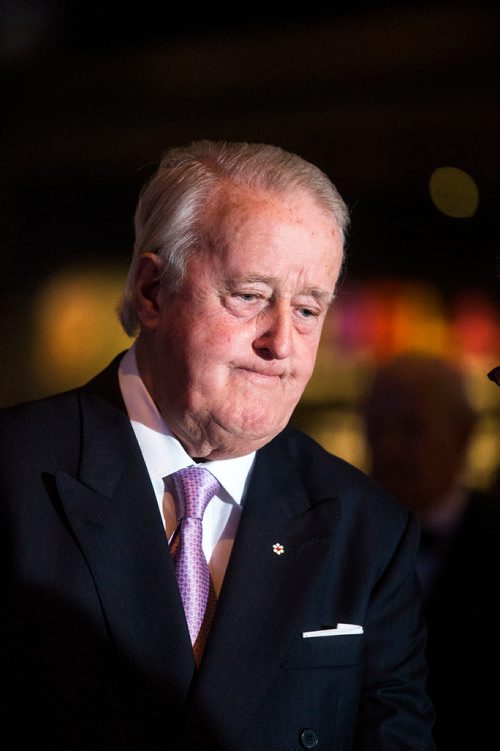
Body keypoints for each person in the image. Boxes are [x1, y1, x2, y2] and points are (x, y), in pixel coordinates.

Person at [0, 140, 435, 750]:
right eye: (250, 296)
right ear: (153, 291)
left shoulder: (367, 530)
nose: (282, 342)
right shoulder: (14, 478)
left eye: (309, 309)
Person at [361, 351, 500, 750]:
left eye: (411, 429)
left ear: (465, 434)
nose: (388, 448)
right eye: (376, 428)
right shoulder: (340, 543)